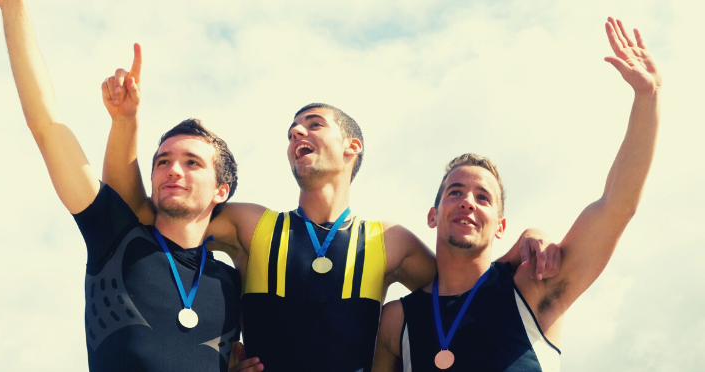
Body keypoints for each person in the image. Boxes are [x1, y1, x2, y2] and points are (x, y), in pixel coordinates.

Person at [102, 66, 561, 372]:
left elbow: (463, 289)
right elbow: (141, 214)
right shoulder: (252, 226)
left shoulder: (391, 242)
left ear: (351, 147)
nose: (298, 132)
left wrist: (526, 242)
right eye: (291, 131)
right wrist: (125, 125)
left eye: (313, 124)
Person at [372, 17, 661, 372]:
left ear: (500, 226)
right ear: (433, 215)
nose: (468, 202)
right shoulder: (396, 320)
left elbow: (616, 205)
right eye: (456, 192)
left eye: (483, 197)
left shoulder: (535, 287)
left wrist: (647, 99)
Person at [0, 1, 242, 371]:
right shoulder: (115, 235)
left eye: (192, 162)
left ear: (221, 190)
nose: (173, 169)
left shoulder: (231, 283)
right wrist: (13, 9)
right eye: (162, 161)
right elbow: (47, 126)